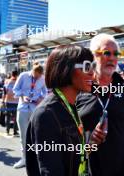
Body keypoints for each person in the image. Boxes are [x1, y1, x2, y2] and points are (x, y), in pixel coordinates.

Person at [26, 44, 107, 176]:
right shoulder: (46, 114)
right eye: (87, 66)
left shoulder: (70, 106)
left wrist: (92, 143)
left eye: (93, 66)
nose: (92, 72)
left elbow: (73, 154)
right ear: (66, 69)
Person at [76, 33, 124, 176]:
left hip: (122, 169)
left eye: (115, 54)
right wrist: (88, 141)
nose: (112, 58)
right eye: (106, 53)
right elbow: (67, 132)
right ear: (93, 56)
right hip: (88, 169)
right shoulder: (80, 89)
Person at [13, 62, 48, 168]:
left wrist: (41, 98)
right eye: (35, 75)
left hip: (35, 109)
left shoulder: (42, 78)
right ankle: (24, 158)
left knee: (36, 134)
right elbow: (15, 89)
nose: (37, 78)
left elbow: (45, 92)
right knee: (23, 135)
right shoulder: (23, 76)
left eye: (39, 76)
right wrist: (22, 96)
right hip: (23, 109)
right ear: (33, 71)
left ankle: (36, 158)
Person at [3, 70, 19, 136]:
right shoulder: (18, 82)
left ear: (11, 74)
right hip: (16, 101)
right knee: (15, 117)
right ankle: (15, 131)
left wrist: (3, 100)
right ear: (17, 75)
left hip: (8, 101)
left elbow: (4, 92)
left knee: (8, 116)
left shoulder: (7, 81)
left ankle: (7, 131)